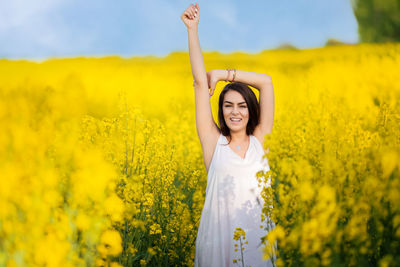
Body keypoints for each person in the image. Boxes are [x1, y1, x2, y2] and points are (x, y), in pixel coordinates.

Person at [181, 3, 276, 267]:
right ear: (221, 111)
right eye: (228, 105)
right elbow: (201, 84)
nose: (235, 112)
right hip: (218, 245)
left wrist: (224, 75)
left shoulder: (261, 141)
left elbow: (266, 82)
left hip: (258, 246)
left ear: (251, 110)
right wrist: (192, 29)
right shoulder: (214, 143)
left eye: (242, 105)